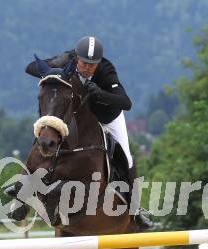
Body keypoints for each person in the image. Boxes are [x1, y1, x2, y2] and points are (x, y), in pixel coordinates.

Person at [25, 36, 152, 230]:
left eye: (92, 64)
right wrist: (52, 71)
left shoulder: (106, 70)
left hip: (107, 117)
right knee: (49, 134)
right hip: (81, 118)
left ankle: (135, 211)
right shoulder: (67, 60)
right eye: (84, 62)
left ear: (99, 62)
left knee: (127, 157)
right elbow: (31, 68)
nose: (87, 67)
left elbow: (126, 102)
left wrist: (100, 93)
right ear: (77, 58)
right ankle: (29, 177)